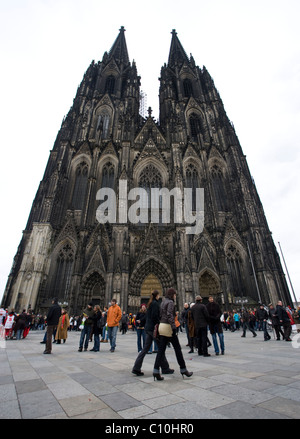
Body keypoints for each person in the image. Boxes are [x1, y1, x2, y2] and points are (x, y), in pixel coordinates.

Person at [153, 288, 193, 381]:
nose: (175, 296)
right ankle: (183, 369)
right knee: (178, 349)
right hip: (168, 327)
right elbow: (169, 315)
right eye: (175, 294)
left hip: (162, 326)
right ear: (172, 295)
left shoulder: (162, 302)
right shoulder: (170, 302)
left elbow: (160, 314)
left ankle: (155, 371)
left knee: (161, 351)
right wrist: (173, 327)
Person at [132, 290, 173, 376]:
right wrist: (159, 323)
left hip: (148, 328)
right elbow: (154, 316)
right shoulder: (155, 304)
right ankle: (165, 368)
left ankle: (136, 367)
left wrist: (142, 322)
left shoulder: (150, 303)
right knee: (160, 348)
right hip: (152, 329)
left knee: (145, 349)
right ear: (157, 295)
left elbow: (147, 316)